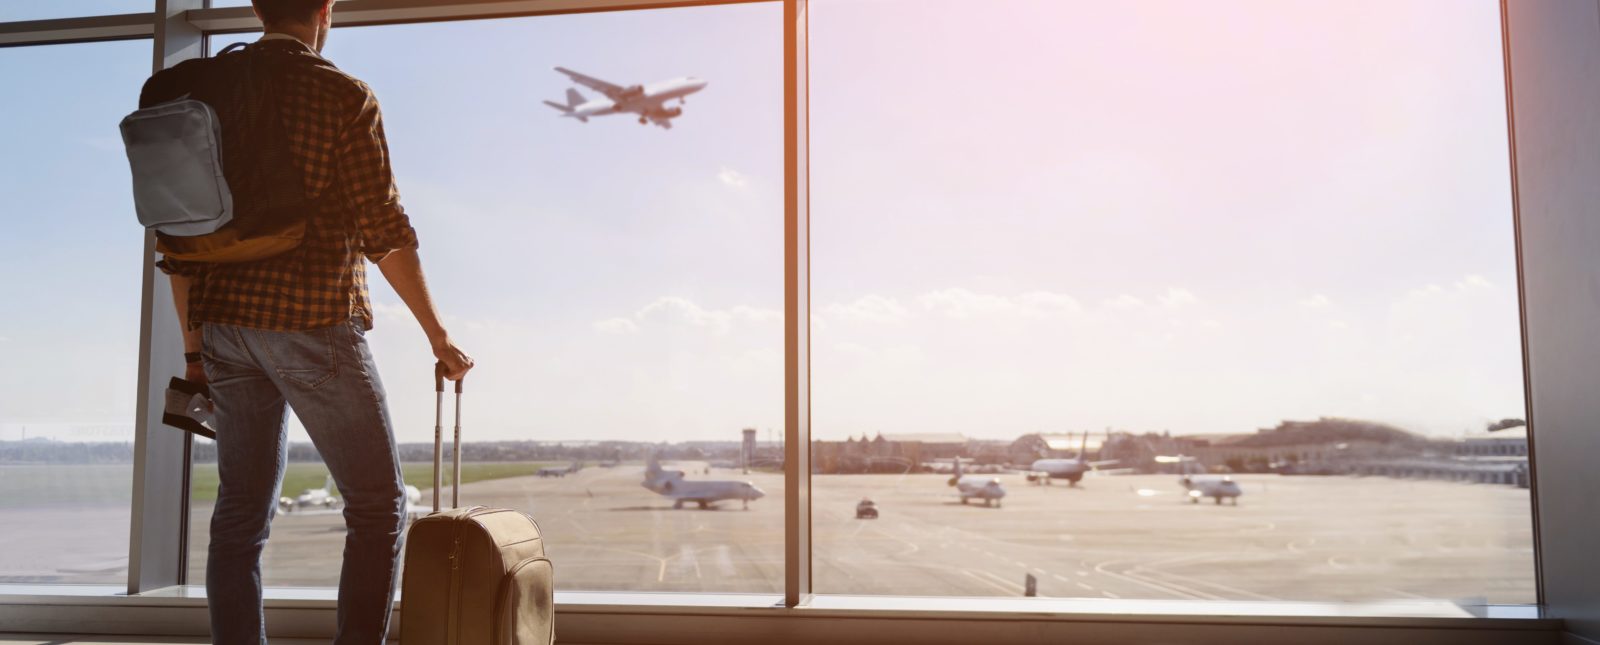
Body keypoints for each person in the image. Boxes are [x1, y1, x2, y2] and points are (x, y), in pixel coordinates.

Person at [150, 1, 473, 642]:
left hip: (222, 329)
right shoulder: (340, 95)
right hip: (310, 317)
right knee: (379, 506)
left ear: (254, 7)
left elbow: (177, 246)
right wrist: (438, 334)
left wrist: (194, 353)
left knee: (240, 514)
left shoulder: (200, 92)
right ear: (325, 9)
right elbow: (384, 230)